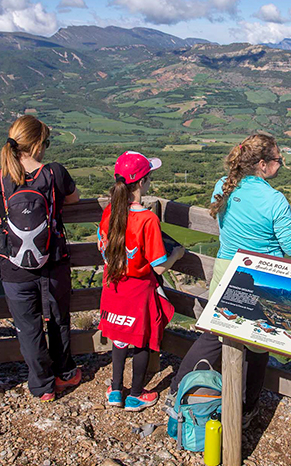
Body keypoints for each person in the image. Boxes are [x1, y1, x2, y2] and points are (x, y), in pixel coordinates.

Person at [168, 133, 291, 425]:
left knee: (215, 334)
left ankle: (177, 390)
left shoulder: (223, 185)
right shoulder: (274, 200)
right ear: (263, 164)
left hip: (225, 269)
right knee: (257, 345)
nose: (281, 164)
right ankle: (246, 408)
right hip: (259, 278)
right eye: (278, 159)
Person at [0, 115, 82, 401]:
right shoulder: (54, 173)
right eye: (46, 142)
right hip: (53, 261)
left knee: (27, 327)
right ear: (38, 145)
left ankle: (42, 386)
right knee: (59, 320)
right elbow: (74, 198)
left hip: (13, 266)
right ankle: (64, 373)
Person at [97, 151, 185, 411]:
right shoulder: (147, 219)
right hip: (138, 290)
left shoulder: (110, 211)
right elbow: (158, 267)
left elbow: (102, 248)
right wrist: (177, 255)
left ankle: (115, 390)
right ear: (143, 182)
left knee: (120, 336)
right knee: (141, 338)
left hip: (114, 286)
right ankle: (136, 394)